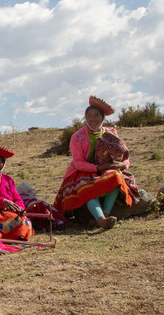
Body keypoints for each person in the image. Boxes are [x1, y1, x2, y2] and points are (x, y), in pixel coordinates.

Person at [54, 96, 140, 229]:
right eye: (89, 115)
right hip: (82, 171)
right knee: (87, 187)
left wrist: (123, 165)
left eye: (96, 115)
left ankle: (105, 216)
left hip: (106, 169)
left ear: (103, 118)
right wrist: (100, 167)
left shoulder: (111, 133)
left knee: (116, 177)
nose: (93, 119)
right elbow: (78, 163)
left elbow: (124, 156)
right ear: (85, 117)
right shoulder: (77, 137)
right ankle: (100, 220)